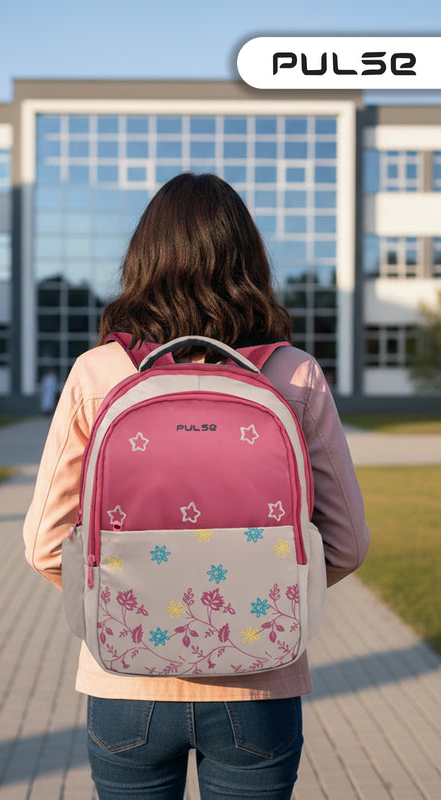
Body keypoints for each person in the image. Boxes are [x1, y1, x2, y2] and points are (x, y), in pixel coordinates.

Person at [23, 172, 369, 800]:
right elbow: (346, 545)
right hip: (260, 679)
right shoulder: (294, 374)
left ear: (143, 260)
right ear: (249, 261)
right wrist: (262, 593)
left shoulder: (98, 373)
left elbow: (46, 545)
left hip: (125, 682)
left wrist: (125, 594)